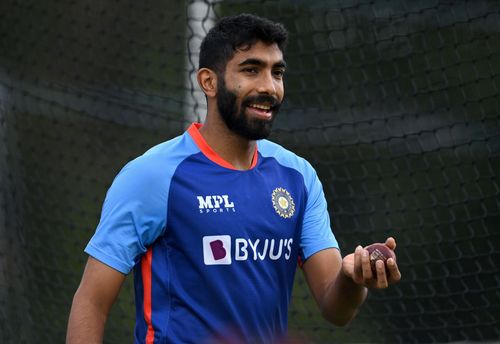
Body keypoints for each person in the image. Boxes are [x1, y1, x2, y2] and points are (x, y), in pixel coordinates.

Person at [66, 13, 401, 344]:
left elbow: (336, 310)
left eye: (277, 72)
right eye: (251, 70)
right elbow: (92, 302)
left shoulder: (298, 176)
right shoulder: (152, 175)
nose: (269, 87)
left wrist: (352, 277)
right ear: (209, 82)